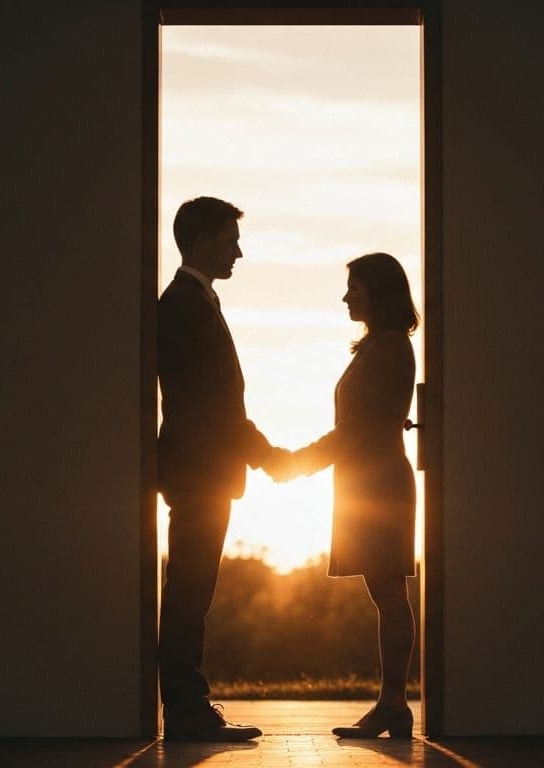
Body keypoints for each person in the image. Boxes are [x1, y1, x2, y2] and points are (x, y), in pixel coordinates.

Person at [268, 252, 419, 738]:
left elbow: (357, 430)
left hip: (379, 487)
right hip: (368, 484)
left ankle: (393, 704)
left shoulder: (391, 347)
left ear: (379, 290)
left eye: (354, 286)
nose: (346, 295)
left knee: (389, 593)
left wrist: (298, 463)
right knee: (386, 593)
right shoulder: (378, 347)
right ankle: (390, 705)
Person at [157, 196, 288, 741]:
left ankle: (189, 705)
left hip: (203, 469)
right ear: (204, 239)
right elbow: (214, 404)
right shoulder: (184, 305)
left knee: (193, 589)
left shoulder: (197, 301)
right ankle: (187, 710)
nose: (239, 250)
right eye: (231, 239)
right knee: (189, 591)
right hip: (198, 470)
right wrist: (268, 456)